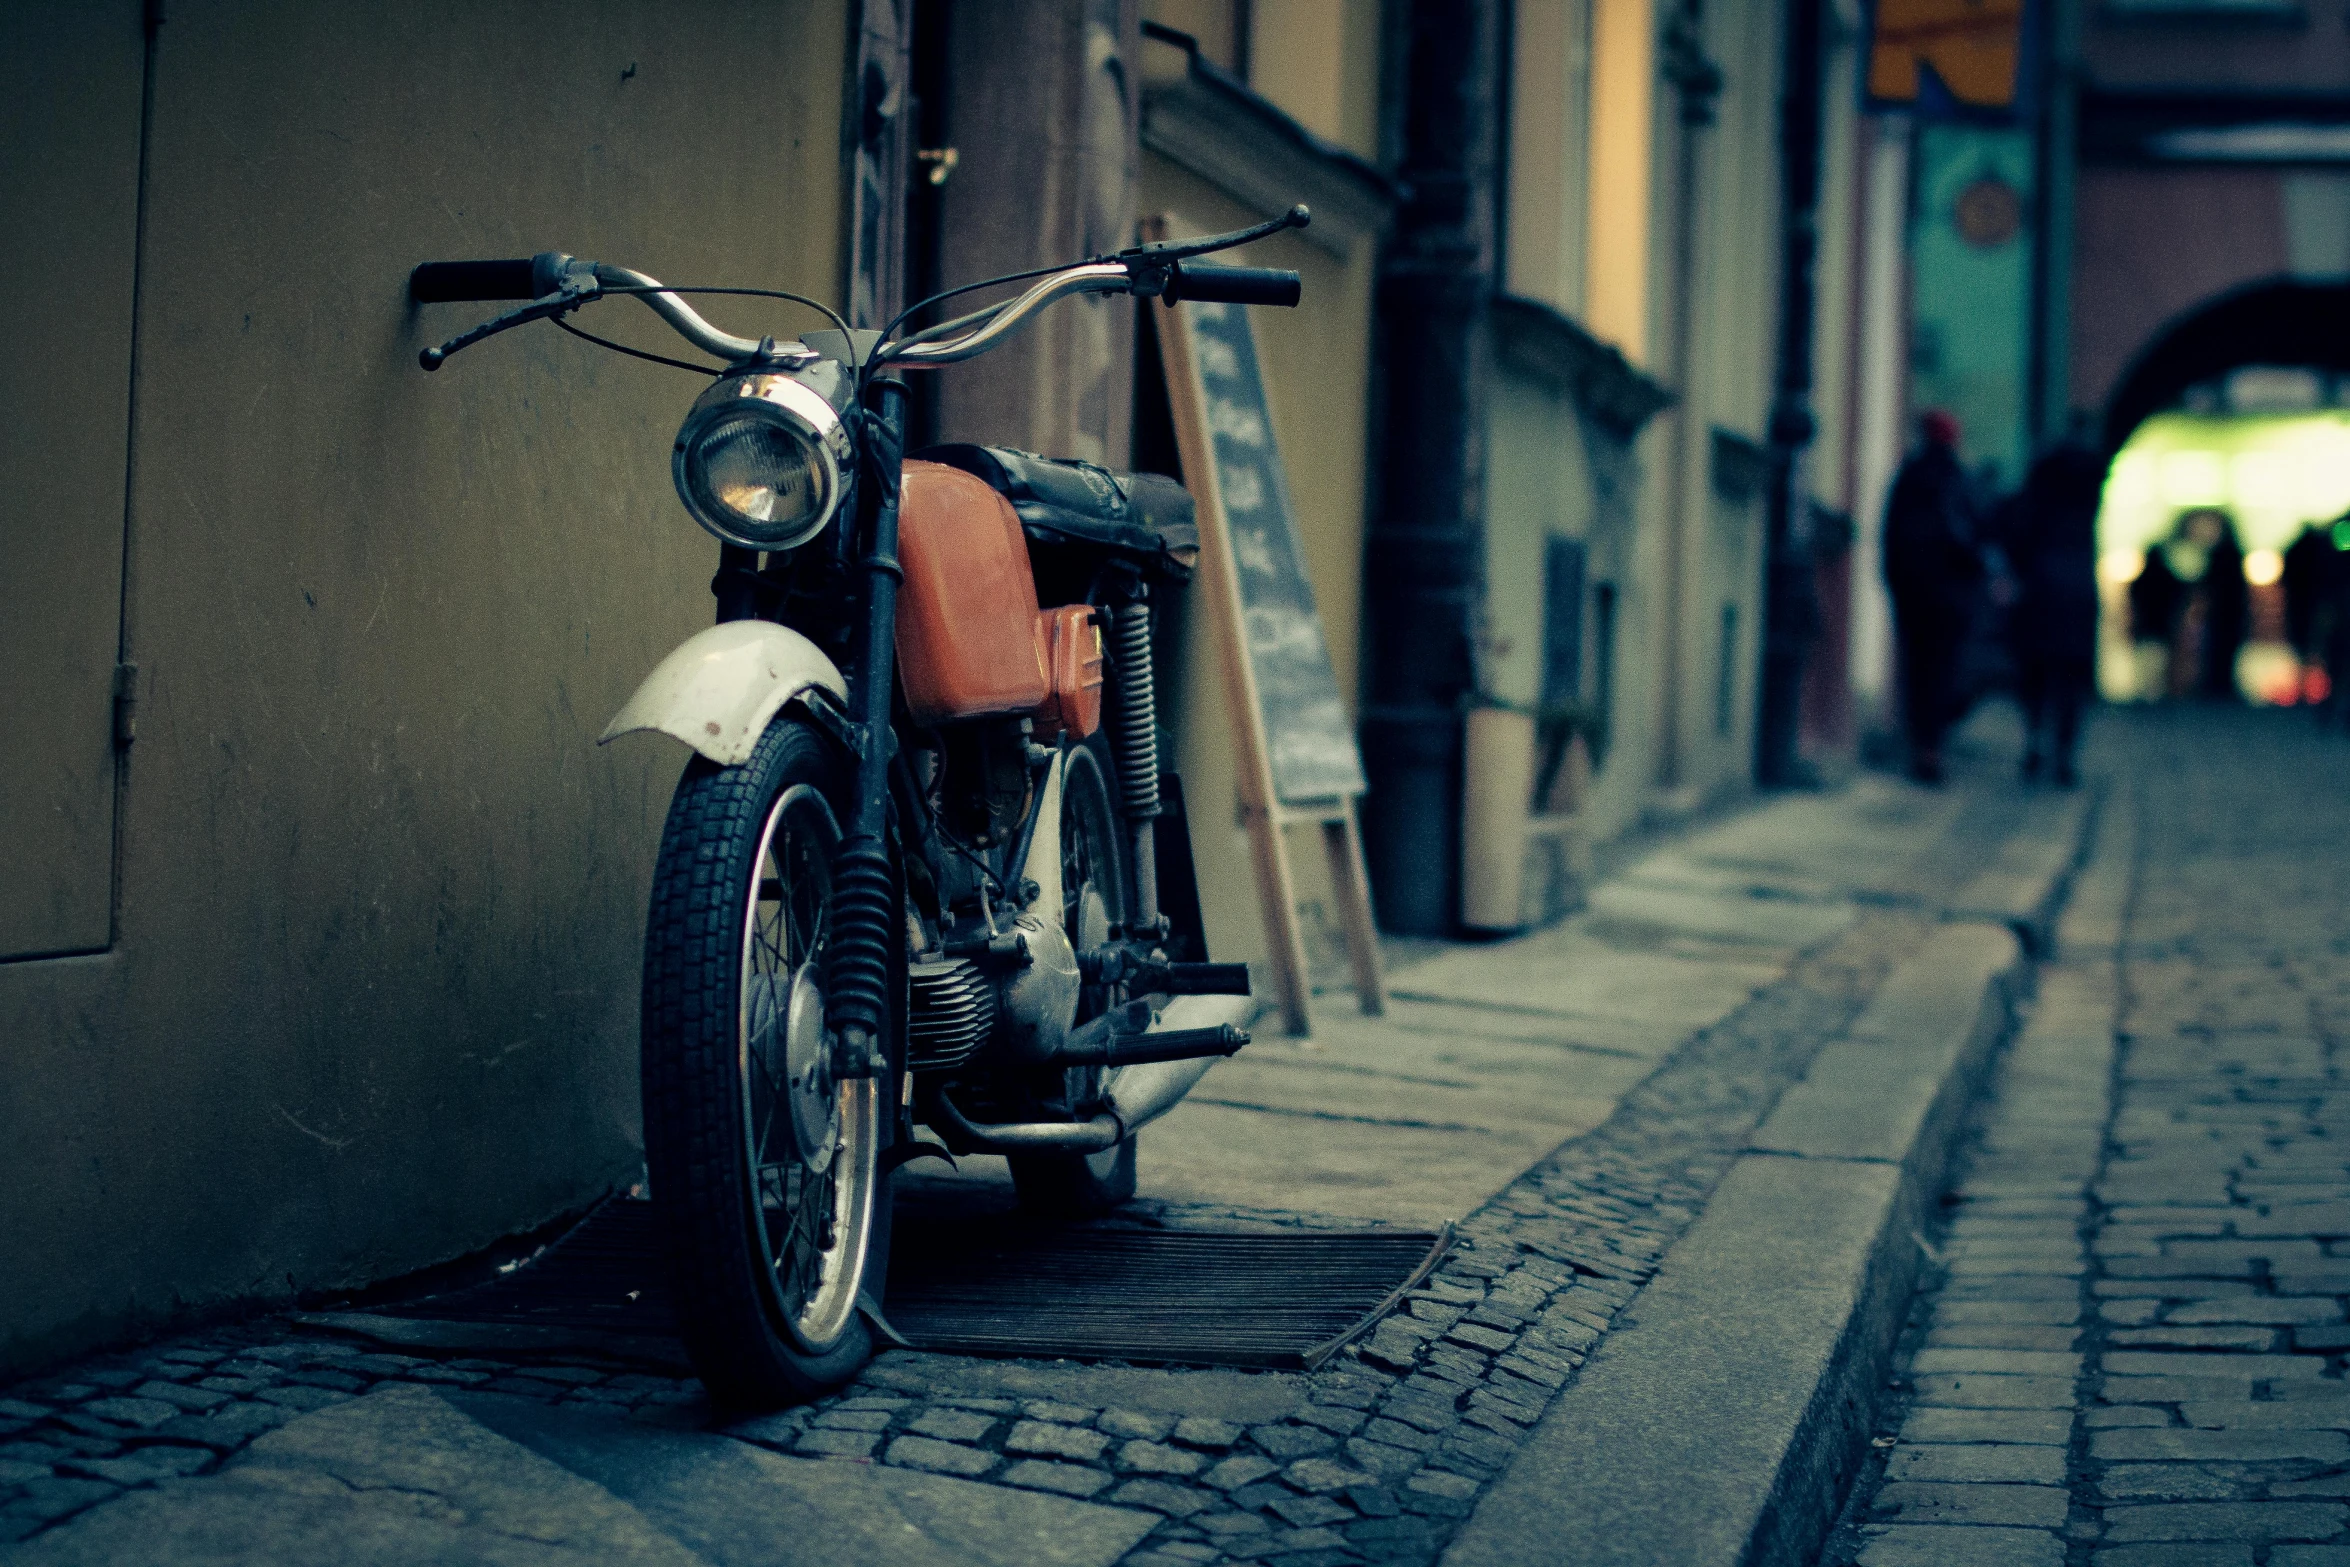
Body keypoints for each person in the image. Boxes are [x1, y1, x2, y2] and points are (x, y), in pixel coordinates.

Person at [1881, 409, 1984, 784]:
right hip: (1951, 596)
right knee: (1946, 669)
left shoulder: (1908, 477)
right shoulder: (1960, 480)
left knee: (1916, 668)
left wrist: (1893, 584)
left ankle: (1922, 745)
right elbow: (1977, 533)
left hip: (1913, 593)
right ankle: (1934, 745)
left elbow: (1889, 536)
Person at [2003, 418, 2102, 786]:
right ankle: (2064, 754)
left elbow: (2016, 535)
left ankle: (2035, 742)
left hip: (2040, 591)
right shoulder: (2088, 497)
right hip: (2077, 592)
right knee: (2071, 680)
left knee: (2036, 676)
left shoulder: (2038, 495)